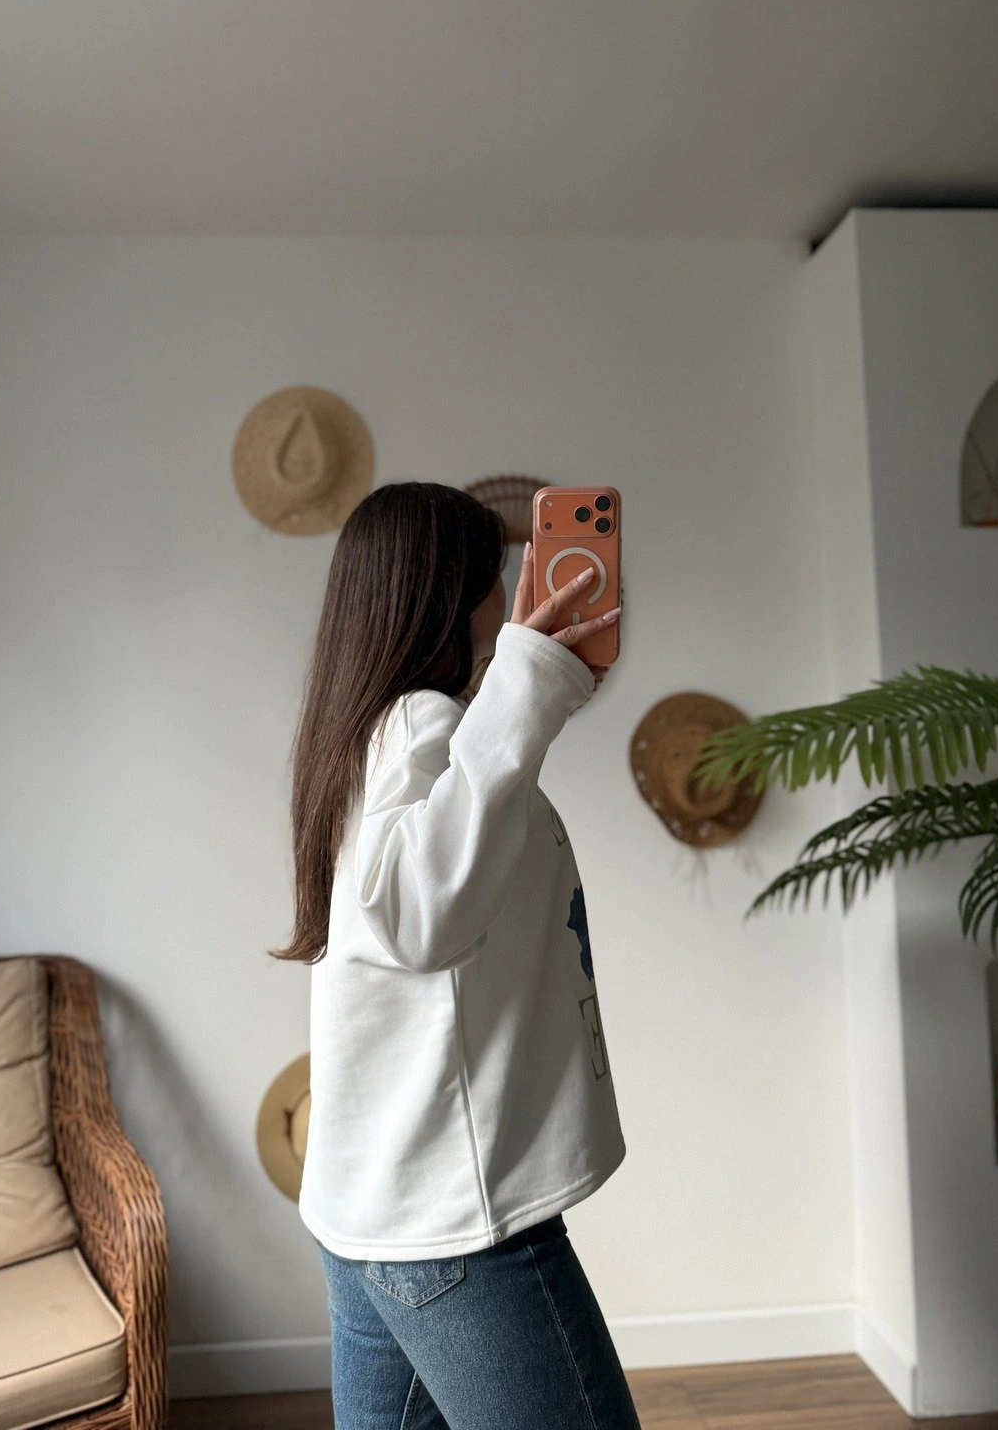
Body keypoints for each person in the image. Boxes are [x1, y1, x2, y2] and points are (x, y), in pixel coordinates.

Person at [272, 481, 640, 1429]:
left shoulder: (360, 734)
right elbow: (422, 914)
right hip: (454, 1226)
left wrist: (519, 689)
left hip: (375, 1209)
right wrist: (525, 686)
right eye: (497, 575)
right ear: (454, 597)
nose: (510, 594)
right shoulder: (420, 727)